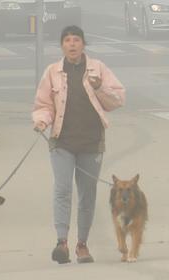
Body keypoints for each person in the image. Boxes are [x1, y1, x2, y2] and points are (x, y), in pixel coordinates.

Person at [32, 24, 125, 265]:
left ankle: (82, 245)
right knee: (62, 190)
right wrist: (42, 121)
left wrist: (98, 87)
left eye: (76, 40)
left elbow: (117, 100)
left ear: (83, 44)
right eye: (67, 40)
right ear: (61, 45)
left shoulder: (98, 69)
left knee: (87, 195)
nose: (72, 44)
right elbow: (43, 104)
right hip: (61, 142)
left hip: (91, 143)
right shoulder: (52, 72)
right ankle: (61, 242)